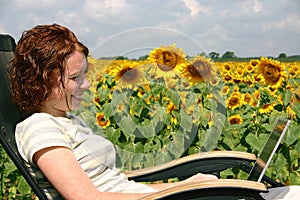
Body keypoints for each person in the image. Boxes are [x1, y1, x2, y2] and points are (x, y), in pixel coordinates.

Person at [8, 24, 300, 200]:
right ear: (41, 79)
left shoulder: (66, 120)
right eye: (74, 79)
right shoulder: (40, 128)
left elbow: (117, 183)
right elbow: (85, 197)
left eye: (84, 74)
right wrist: (180, 193)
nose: (85, 84)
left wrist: (185, 183)